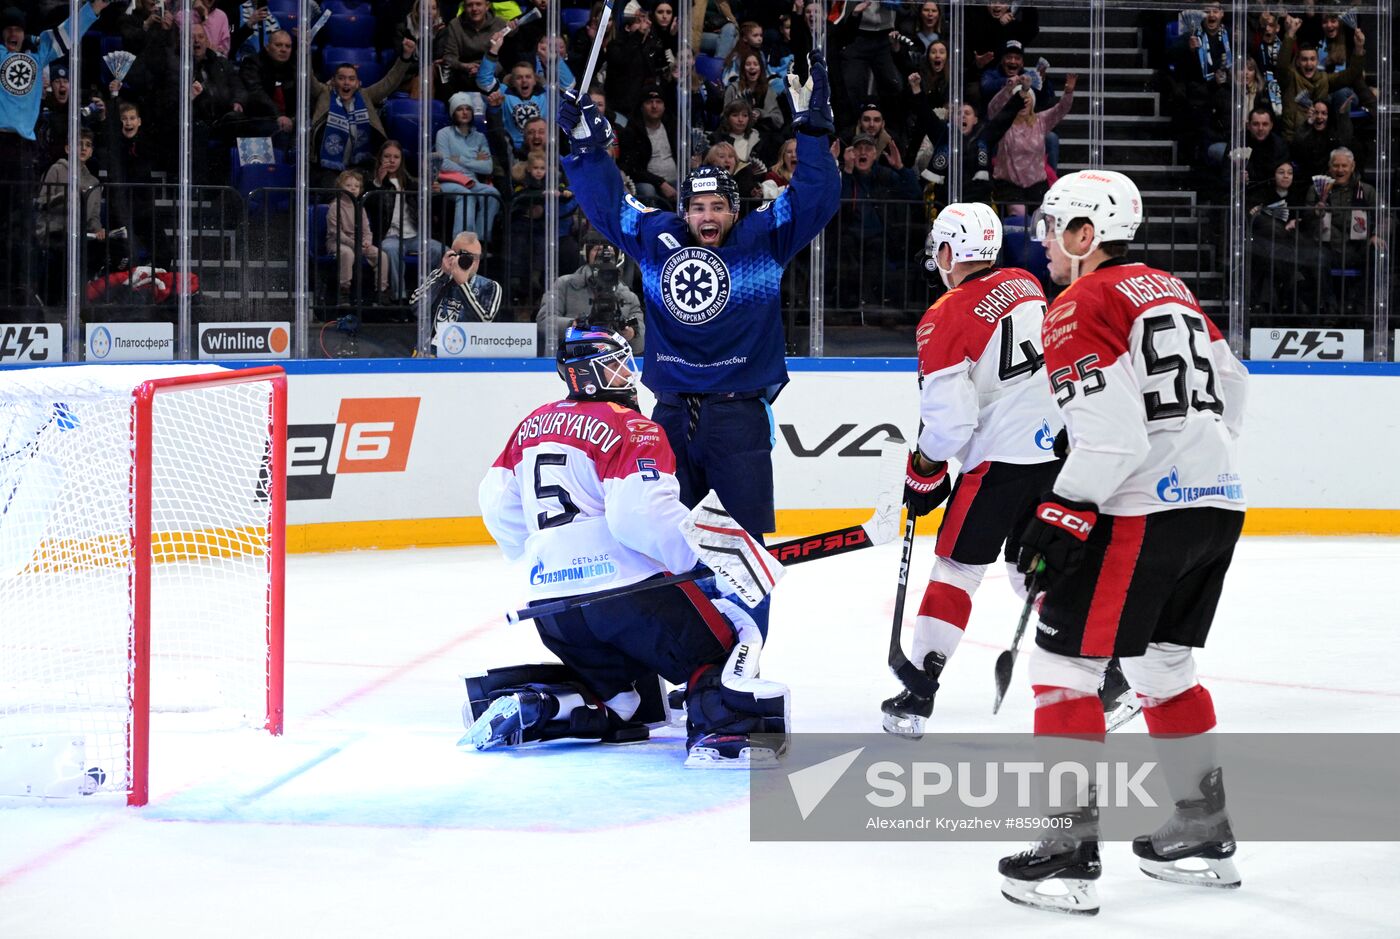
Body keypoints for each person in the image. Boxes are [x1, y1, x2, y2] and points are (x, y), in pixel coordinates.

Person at [997, 170, 1248, 915]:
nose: (1043, 241)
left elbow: (1111, 439)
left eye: (1053, 227)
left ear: (1086, 237)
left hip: (1142, 509)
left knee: (1063, 667)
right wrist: (1191, 460)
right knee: (1164, 661)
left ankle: (1068, 852)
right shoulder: (1173, 289)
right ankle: (1202, 828)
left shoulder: (1081, 302)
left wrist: (1063, 511)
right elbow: (1235, 391)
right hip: (1217, 501)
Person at [556, 51, 841, 638]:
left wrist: (813, 125)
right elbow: (609, 205)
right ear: (683, 210)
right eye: (697, 206)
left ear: (735, 210)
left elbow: (816, 195)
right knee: (664, 546)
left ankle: (744, 660)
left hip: (738, 415)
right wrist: (586, 146)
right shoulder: (658, 238)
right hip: (667, 418)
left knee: (744, 556)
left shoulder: (766, 237)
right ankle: (688, 660)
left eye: (718, 206)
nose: (706, 216)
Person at [470, 325, 789, 767]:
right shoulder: (632, 425)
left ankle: (547, 707)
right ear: (589, 374)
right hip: (626, 597)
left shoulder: (530, 425)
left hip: (551, 608)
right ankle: (724, 729)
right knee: (731, 638)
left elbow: (496, 507)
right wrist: (711, 556)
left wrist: (543, 557)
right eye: (617, 366)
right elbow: (642, 514)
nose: (628, 376)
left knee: (628, 702)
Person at [878, 203, 1064, 737]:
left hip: (998, 462)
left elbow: (951, 423)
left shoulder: (944, 315)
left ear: (946, 252)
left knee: (958, 569)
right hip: (1056, 450)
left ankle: (919, 689)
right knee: (1032, 568)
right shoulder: (1026, 282)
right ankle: (1103, 667)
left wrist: (926, 466)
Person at [0, 1, 107, 304]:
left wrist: (94, 7)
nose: (13, 33)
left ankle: (19, 289)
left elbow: (67, 32)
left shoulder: (39, 52)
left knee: (21, 223)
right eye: (8, 28)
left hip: (22, 149)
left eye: (18, 28)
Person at [308, 38, 418, 188]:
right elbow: (307, 78)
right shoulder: (324, 93)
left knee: (374, 186)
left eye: (351, 79)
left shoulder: (365, 95)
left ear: (358, 83)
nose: (346, 83)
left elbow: (389, 82)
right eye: (341, 78)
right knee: (335, 191)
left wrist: (405, 57)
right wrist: (303, 48)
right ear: (333, 82)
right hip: (326, 168)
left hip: (361, 165)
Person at [366, 140, 445, 306]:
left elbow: (428, 209)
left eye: (396, 157)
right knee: (391, 250)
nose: (392, 160)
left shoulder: (411, 183)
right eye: (387, 156)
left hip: (414, 235)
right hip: (391, 235)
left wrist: (435, 193)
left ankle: (432, 295)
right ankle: (399, 296)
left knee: (440, 250)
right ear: (380, 158)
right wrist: (378, 185)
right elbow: (371, 209)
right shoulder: (371, 183)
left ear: (401, 160)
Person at [536, 233, 644, 352]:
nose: (603, 255)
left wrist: (631, 334)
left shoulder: (629, 296)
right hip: (572, 358)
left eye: (610, 250)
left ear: (618, 255)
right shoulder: (564, 285)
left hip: (612, 363)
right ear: (586, 254)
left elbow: (641, 344)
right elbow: (543, 322)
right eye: (597, 249)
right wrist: (573, 325)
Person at [435, 91, 501, 244]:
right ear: (453, 113)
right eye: (460, 109)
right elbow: (443, 163)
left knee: (492, 193)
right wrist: (474, 161)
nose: (464, 112)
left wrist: (459, 160)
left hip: (472, 182)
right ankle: (461, 243)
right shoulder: (443, 134)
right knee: (466, 196)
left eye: (468, 108)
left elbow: (488, 167)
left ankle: (480, 240)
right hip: (449, 182)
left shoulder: (480, 137)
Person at [426, 230, 504, 354]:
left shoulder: (490, 286)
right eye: (465, 256)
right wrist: (442, 274)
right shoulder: (439, 278)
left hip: (469, 357)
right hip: (430, 355)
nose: (472, 262)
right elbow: (415, 306)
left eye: (476, 258)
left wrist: (463, 284)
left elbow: (485, 320)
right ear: (452, 255)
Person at [325, 169, 389, 303]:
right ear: (340, 187)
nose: (352, 188)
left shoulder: (360, 207)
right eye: (348, 185)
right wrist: (355, 244)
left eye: (356, 186)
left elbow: (367, 230)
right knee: (347, 254)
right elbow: (336, 233)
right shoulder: (334, 206)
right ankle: (344, 290)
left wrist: (367, 241)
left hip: (359, 243)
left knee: (381, 255)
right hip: (338, 243)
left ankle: (381, 291)